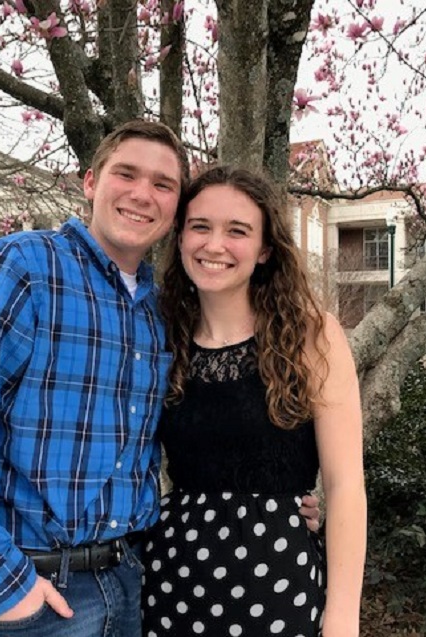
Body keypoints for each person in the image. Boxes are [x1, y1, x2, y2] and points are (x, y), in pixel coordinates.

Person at [0, 121, 322, 637]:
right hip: (36, 591)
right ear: (91, 181)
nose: (143, 194)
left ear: (174, 211)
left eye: (163, 185)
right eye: (127, 174)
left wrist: (271, 494)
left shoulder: (160, 315)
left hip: (137, 581)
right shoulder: (23, 268)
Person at [142, 166, 367, 637]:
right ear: (180, 237)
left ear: (265, 249)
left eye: (237, 231)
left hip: (280, 581)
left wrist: (343, 618)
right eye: (200, 226)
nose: (215, 244)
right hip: (175, 581)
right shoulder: (162, 336)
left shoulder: (311, 334)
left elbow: (345, 484)